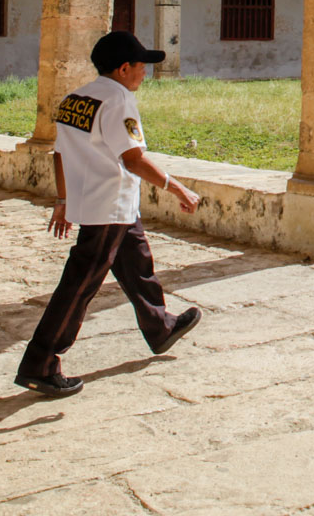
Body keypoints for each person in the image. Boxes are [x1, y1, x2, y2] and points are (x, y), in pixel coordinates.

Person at [16, 30, 201, 398]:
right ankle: (41, 362)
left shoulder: (76, 97)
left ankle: (160, 326)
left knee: (137, 261)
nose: (144, 73)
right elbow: (133, 158)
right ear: (122, 68)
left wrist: (64, 200)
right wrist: (177, 188)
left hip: (98, 201)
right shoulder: (118, 100)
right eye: (140, 66)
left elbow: (60, 153)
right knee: (79, 285)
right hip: (108, 205)